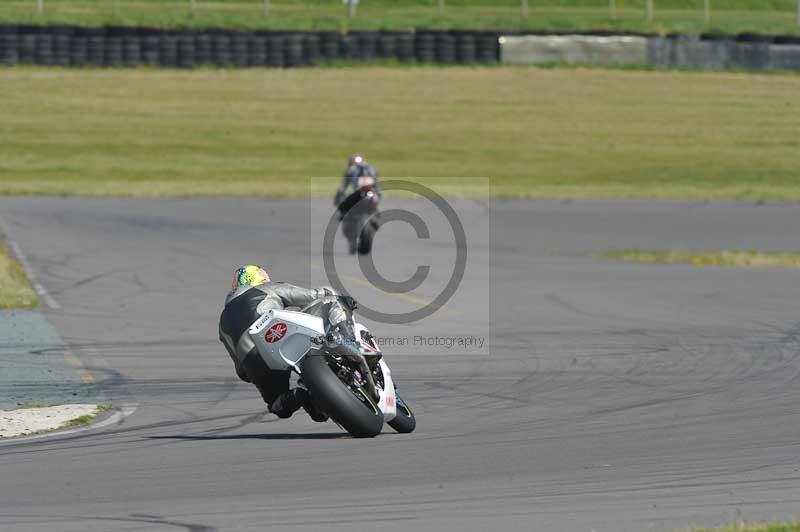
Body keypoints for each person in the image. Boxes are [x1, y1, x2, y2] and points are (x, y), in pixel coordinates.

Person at [218, 264, 359, 420]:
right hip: (279, 333)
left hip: (254, 361)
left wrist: (254, 373)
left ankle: (300, 396)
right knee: (333, 300)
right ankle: (351, 344)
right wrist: (340, 297)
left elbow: (241, 371)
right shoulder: (266, 287)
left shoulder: (222, 323)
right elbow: (312, 295)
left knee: (277, 405)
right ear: (259, 277)